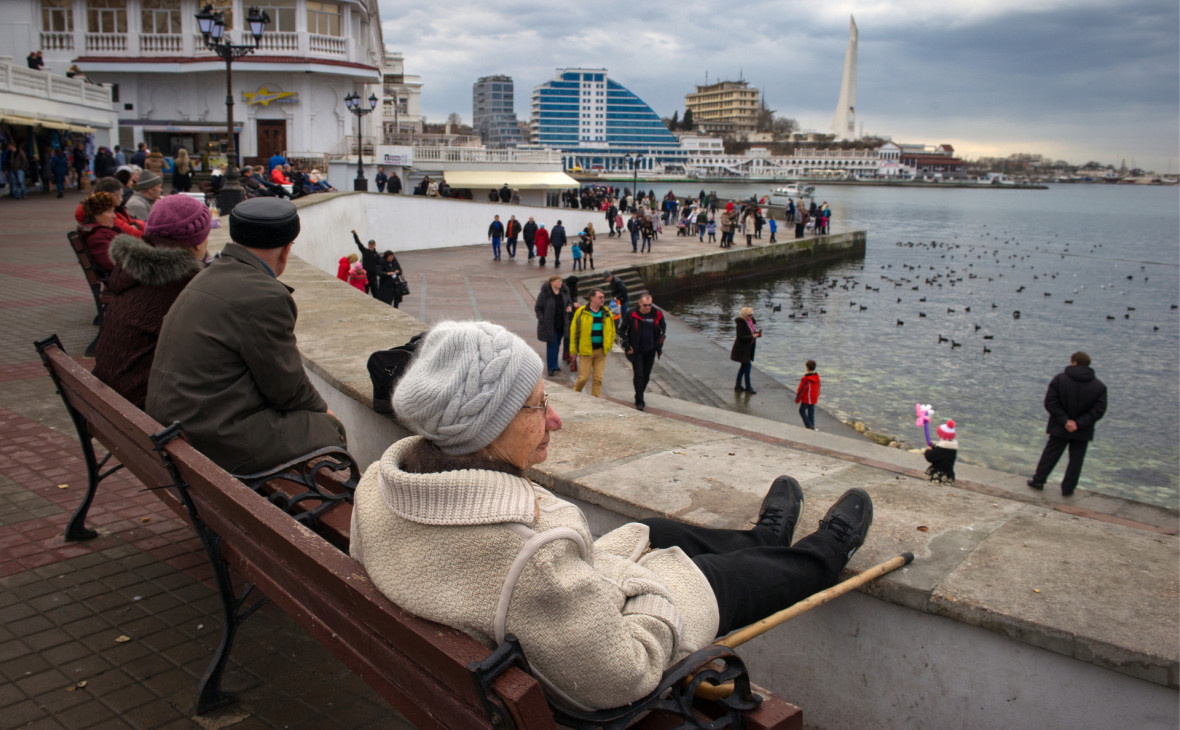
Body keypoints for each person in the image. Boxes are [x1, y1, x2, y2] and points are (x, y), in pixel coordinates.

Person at [348, 320, 875, 711]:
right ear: (484, 432)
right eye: (535, 407)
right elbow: (624, 675)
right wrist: (647, 586)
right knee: (716, 577)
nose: (554, 418)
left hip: (526, 620)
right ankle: (824, 555)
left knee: (661, 532)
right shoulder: (532, 562)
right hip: (596, 648)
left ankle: (762, 537)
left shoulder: (379, 484)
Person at [146, 198, 347, 474]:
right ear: (286, 250)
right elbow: (288, 390)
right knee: (327, 428)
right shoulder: (267, 296)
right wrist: (323, 414)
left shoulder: (206, 275)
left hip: (174, 428)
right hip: (212, 439)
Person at [93, 195, 210, 409]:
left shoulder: (132, 272)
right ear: (198, 241)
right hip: (144, 409)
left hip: (112, 401)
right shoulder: (185, 286)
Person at [1027, 351, 1108, 496]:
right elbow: (1098, 411)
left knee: (1051, 454)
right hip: (1082, 430)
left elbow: (1050, 403)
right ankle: (1068, 488)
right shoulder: (1099, 386)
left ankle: (1039, 480)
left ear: (1074, 362)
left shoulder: (1059, 380)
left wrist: (1065, 421)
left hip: (1060, 426)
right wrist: (1079, 423)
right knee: (1076, 460)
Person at [620, 294, 665, 411]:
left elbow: (662, 329)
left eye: (650, 305)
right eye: (645, 305)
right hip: (637, 350)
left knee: (646, 376)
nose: (648, 307)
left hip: (650, 350)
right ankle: (640, 400)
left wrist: (659, 344)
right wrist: (627, 343)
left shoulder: (657, 314)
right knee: (639, 375)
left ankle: (638, 393)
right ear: (640, 303)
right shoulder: (632, 314)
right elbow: (621, 330)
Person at [570, 290, 615, 397]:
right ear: (592, 298)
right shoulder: (581, 312)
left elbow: (612, 331)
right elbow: (574, 332)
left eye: (603, 297)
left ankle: (595, 401)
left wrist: (609, 345)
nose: (602, 299)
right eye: (600, 297)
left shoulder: (606, 313)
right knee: (583, 378)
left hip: (601, 351)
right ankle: (575, 396)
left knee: (598, 379)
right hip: (586, 351)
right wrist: (573, 351)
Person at [535, 274, 573, 376]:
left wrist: (569, 307)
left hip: (562, 323)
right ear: (551, 283)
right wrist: (542, 319)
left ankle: (555, 365)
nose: (560, 283)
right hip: (550, 325)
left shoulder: (564, 292)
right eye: (557, 281)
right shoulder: (545, 294)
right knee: (552, 345)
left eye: (560, 281)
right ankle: (551, 367)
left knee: (557, 345)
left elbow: (569, 303)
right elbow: (538, 308)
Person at [76, 191, 121, 275]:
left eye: (113, 211)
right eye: (109, 212)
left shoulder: (101, 232)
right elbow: (114, 266)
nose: (114, 216)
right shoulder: (97, 238)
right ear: (97, 214)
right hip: (127, 283)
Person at [730, 306, 762, 394]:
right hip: (742, 350)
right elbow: (741, 337)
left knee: (744, 367)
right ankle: (748, 386)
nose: (751, 317)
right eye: (749, 315)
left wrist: (757, 334)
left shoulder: (750, 322)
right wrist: (753, 336)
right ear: (744, 315)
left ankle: (738, 385)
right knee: (747, 367)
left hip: (748, 348)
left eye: (752, 315)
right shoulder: (741, 324)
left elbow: (751, 333)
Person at [924, 420, 958, 485]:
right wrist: (933, 446)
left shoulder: (941, 448)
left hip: (938, 475)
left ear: (942, 435)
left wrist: (928, 450)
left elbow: (930, 457)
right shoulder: (953, 448)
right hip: (948, 474)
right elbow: (942, 455)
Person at [352, 230, 381, 296]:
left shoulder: (377, 255)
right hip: (365, 276)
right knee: (365, 292)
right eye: (370, 244)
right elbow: (358, 243)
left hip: (373, 276)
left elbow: (380, 264)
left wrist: (378, 272)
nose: (371, 246)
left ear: (375, 245)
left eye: (372, 244)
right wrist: (355, 234)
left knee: (375, 293)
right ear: (368, 245)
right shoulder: (364, 251)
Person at [794, 360, 820, 430]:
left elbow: (801, 390)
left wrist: (797, 399)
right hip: (814, 398)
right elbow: (818, 387)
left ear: (807, 368)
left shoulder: (806, 379)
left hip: (807, 399)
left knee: (802, 411)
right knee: (811, 412)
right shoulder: (817, 377)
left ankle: (809, 425)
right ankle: (812, 426)